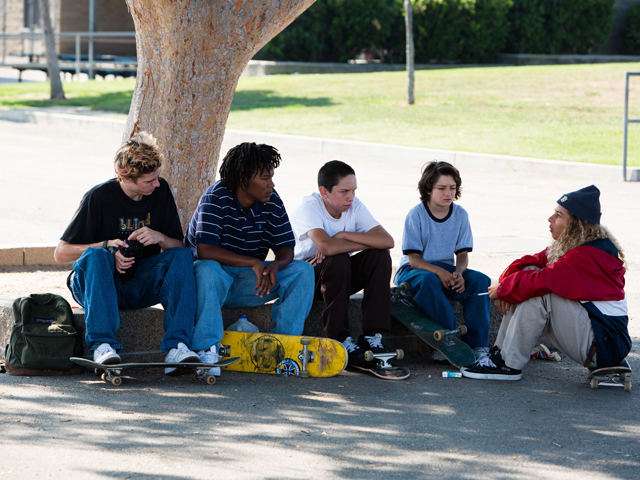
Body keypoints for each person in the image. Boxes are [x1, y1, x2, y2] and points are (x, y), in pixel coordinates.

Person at [54, 132, 200, 373]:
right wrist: (107, 247)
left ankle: (178, 347)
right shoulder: (98, 197)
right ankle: (103, 346)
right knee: (96, 256)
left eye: (157, 178)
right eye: (148, 181)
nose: (156, 184)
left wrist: (159, 237)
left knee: (182, 256)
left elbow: (179, 248)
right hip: (98, 285)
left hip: (139, 284)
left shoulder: (160, 191)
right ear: (125, 176)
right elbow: (61, 253)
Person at [462, 185, 631, 381]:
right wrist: (504, 284)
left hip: (603, 346)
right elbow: (530, 262)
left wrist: (503, 290)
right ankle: (500, 357)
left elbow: (542, 281)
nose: (550, 219)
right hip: (598, 339)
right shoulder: (579, 247)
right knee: (529, 273)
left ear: (576, 225)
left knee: (540, 291)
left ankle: (508, 365)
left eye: (558, 215)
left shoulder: (586, 258)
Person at [185, 142, 314, 377]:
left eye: (271, 177)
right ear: (243, 178)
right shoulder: (216, 197)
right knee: (206, 269)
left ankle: (286, 345)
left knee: (303, 271)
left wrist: (277, 264)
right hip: (214, 283)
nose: (271, 184)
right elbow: (204, 250)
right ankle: (207, 349)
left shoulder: (271, 200)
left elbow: (286, 248)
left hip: (251, 282)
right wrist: (254, 262)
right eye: (265, 178)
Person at [290, 160, 395, 365]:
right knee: (337, 258)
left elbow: (387, 241)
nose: (351, 197)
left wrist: (343, 235)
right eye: (344, 191)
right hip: (305, 280)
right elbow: (327, 247)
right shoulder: (309, 207)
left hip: (339, 277)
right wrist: (354, 243)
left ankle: (372, 336)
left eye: (354, 190)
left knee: (379, 256)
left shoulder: (354, 206)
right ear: (324, 191)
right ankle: (340, 339)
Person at [394, 161, 491, 364]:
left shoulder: (460, 214)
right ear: (428, 189)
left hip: (444, 270)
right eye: (442, 188)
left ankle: (478, 346)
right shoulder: (416, 214)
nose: (448, 193)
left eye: (452, 188)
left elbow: (462, 254)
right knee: (429, 280)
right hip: (415, 270)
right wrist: (439, 272)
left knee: (481, 281)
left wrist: (459, 273)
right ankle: (447, 341)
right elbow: (413, 259)